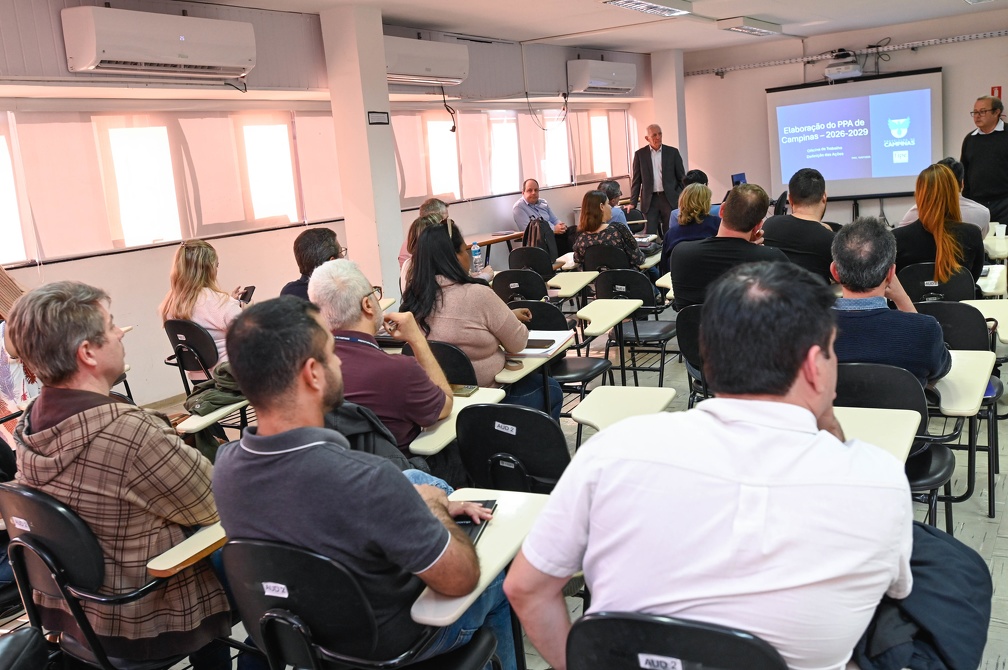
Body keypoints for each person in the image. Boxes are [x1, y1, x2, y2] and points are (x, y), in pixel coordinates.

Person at [503, 261, 913, 670]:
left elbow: (525, 588)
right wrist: (828, 423)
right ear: (812, 366)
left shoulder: (611, 451)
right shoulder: (879, 480)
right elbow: (896, 592)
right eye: (831, 351)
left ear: (710, 358)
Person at [212, 296, 516, 670]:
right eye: (332, 352)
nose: (340, 361)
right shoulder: (367, 479)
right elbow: (461, 580)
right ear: (313, 373)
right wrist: (433, 507)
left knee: (411, 480)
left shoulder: (226, 468)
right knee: (495, 581)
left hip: (308, 645)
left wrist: (406, 499)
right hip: (392, 648)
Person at [7, 281, 231, 668]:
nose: (120, 333)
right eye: (111, 325)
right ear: (87, 353)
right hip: (146, 621)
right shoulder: (130, 433)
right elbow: (214, 506)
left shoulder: (30, 426)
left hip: (76, 617)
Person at [401, 223, 563, 420]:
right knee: (551, 390)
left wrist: (505, 315)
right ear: (454, 256)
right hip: (490, 399)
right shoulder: (478, 294)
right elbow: (518, 342)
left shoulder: (413, 299)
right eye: (464, 250)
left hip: (440, 403)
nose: (468, 256)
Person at [308, 258, 452, 454]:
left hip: (333, 468)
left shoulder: (306, 371)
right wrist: (417, 339)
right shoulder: (399, 370)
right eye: (374, 293)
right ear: (367, 304)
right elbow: (445, 405)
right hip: (400, 469)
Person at [831, 217, 951, 388]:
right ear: (891, 273)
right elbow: (941, 369)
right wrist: (903, 300)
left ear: (835, 272)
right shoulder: (924, 330)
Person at [669, 183, 787, 310]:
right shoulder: (774, 260)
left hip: (697, 323)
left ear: (722, 210)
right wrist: (752, 249)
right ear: (759, 225)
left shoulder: (681, 253)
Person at [159, 239, 246, 379]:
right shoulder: (222, 303)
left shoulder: (170, 302)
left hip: (199, 380)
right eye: (216, 266)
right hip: (229, 378)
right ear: (208, 268)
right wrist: (245, 312)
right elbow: (250, 339)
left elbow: (204, 314)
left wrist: (231, 303)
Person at [893, 163, 985, 283]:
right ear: (954, 195)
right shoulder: (972, 234)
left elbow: (891, 283)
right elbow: (971, 281)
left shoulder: (897, 238)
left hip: (908, 296)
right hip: (958, 296)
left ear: (919, 195)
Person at [762, 167, 837, 283]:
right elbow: (839, 277)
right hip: (814, 295)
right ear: (824, 197)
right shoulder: (831, 240)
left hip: (774, 294)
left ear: (790, 199)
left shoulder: (769, 225)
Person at [898, 157, 990, 237]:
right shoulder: (982, 213)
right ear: (962, 183)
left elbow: (899, 241)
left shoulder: (916, 212)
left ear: (936, 182)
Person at [630, 124, 686, 237]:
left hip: (669, 198)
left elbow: (682, 178)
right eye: (654, 135)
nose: (658, 137)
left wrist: (680, 195)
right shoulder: (640, 155)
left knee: (670, 231)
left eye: (660, 134)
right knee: (650, 233)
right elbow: (636, 181)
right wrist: (633, 203)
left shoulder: (672, 152)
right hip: (650, 200)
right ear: (647, 138)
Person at [961, 95, 1008, 224]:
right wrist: (966, 200)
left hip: (1004, 202)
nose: (977, 116)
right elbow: (965, 172)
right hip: (977, 203)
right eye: (975, 112)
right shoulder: (970, 139)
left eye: (982, 112)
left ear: (996, 112)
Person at [573, 190, 645, 269]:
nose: (610, 207)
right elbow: (638, 259)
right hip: (625, 276)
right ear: (601, 206)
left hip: (596, 277)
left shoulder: (581, 238)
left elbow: (578, 262)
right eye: (608, 203)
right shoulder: (618, 230)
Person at [659, 182, 720, 275]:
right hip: (714, 280)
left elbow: (664, 268)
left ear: (682, 202)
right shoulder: (717, 225)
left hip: (679, 280)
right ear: (706, 202)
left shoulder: (671, 234)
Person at [512, 178, 575, 256]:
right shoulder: (519, 207)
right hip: (541, 241)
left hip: (554, 235)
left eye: (536, 190)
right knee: (568, 242)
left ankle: (579, 259)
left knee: (574, 230)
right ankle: (575, 259)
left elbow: (554, 219)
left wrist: (561, 226)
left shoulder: (543, 203)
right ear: (523, 192)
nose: (533, 193)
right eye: (529, 190)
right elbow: (530, 232)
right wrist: (553, 229)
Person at [280, 227, 343, 301]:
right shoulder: (342, 293)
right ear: (332, 261)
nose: (342, 256)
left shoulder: (289, 293)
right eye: (341, 252)